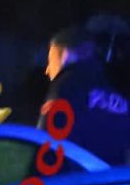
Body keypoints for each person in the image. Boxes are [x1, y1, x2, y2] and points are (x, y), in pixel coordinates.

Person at [42, 24, 130, 165]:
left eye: (51, 60)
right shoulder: (119, 97)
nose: (47, 70)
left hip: (71, 182)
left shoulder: (66, 86)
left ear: (65, 55)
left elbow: (46, 142)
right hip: (109, 183)